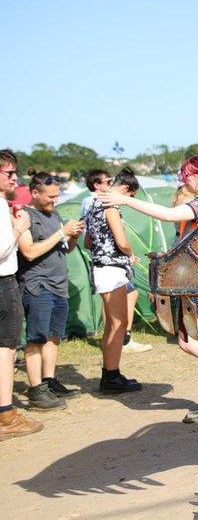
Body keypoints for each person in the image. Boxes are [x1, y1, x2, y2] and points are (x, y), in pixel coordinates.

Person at [96, 155, 198, 423]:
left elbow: (169, 214)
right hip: (197, 280)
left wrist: (126, 200)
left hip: (197, 282)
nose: (184, 179)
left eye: (187, 174)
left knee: (188, 341)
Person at [17, 171, 84, 411]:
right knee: (37, 338)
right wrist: (61, 233)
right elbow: (29, 252)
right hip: (37, 286)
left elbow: (64, 249)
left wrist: (73, 237)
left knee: (54, 337)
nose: (54, 201)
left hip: (59, 286)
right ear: (35, 193)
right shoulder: (25, 216)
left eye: (57, 196)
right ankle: (36, 392)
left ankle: (49, 381)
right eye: (50, 196)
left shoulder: (54, 215)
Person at [84, 167, 145, 394]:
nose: (130, 202)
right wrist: (129, 254)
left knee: (112, 325)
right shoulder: (111, 206)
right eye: (131, 197)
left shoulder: (92, 204)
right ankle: (111, 376)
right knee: (118, 324)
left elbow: (88, 242)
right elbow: (121, 240)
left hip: (100, 267)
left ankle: (111, 374)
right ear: (126, 190)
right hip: (112, 270)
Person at [0, 150, 43, 440]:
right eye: (9, 173)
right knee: (6, 347)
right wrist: (19, 229)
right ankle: (6, 414)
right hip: (3, 283)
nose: (15, 178)